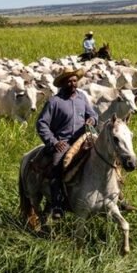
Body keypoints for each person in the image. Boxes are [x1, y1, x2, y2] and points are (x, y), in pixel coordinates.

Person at [36, 68, 98, 220]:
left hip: (83, 139)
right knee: (57, 166)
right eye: (69, 81)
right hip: (63, 143)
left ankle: (116, 197)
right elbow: (41, 123)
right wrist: (54, 142)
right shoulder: (54, 102)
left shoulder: (82, 97)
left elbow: (93, 114)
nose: (73, 84)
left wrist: (92, 120)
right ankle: (57, 204)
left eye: (75, 80)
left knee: (105, 157)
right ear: (63, 83)